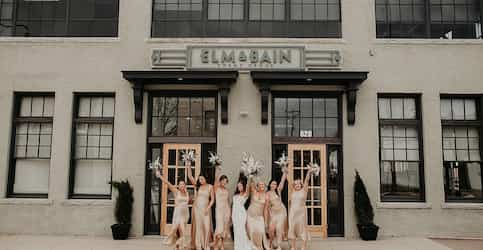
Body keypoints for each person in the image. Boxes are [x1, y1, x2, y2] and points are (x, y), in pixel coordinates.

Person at [155, 169, 190, 250]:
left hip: (186, 213)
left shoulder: (187, 193)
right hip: (178, 213)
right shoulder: (176, 191)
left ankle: (178, 245)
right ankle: (183, 245)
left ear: (185, 185)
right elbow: (167, 183)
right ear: (178, 185)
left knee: (181, 230)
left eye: (183, 184)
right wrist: (160, 176)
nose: (181, 185)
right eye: (180, 184)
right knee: (181, 229)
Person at [187, 161, 214, 250]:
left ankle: (206, 245)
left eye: (202, 179)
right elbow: (190, 177)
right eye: (200, 179)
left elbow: (213, 200)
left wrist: (208, 208)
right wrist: (189, 165)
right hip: (197, 209)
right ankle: (198, 245)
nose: (200, 181)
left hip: (206, 209)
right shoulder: (198, 186)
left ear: (206, 178)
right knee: (198, 227)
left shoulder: (210, 187)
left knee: (206, 226)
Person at [288, 168, 315, 250]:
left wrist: (309, 172)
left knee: (302, 228)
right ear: (294, 185)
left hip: (301, 213)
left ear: (301, 184)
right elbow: (288, 180)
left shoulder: (304, 191)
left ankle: (303, 247)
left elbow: (306, 181)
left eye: (299, 184)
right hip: (293, 212)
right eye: (295, 184)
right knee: (292, 228)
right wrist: (285, 170)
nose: (297, 185)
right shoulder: (292, 191)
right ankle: (293, 247)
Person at [232, 176, 256, 250]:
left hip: (241, 214)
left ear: (243, 186)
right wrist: (231, 216)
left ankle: (244, 246)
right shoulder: (235, 196)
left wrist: (249, 178)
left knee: (241, 230)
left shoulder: (245, 195)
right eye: (238, 186)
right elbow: (233, 207)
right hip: (234, 215)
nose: (239, 187)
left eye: (240, 186)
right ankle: (237, 247)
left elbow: (248, 189)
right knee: (236, 231)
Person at [267, 171, 288, 250]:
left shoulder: (278, 191)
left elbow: (282, 182)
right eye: (272, 184)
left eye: (275, 184)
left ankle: (279, 245)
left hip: (281, 212)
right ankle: (271, 242)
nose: (274, 185)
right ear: (270, 185)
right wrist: (268, 215)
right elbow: (267, 206)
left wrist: (284, 173)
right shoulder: (268, 193)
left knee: (279, 229)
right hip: (273, 213)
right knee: (271, 230)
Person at [246, 178, 269, 250]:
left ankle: (259, 247)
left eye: (263, 184)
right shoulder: (254, 192)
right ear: (257, 186)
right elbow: (250, 183)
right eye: (260, 184)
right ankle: (252, 247)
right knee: (251, 232)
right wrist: (251, 175)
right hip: (250, 216)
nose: (261, 186)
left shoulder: (267, 196)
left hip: (259, 217)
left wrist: (265, 221)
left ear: (265, 186)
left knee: (261, 232)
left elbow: (265, 210)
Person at [212, 167, 231, 250]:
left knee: (224, 228)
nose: (224, 182)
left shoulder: (227, 190)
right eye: (223, 181)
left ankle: (221, 244)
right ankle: (217, 244)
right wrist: (217, 170)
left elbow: (228, 201)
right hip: (219, 210)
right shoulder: (216, 188)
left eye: (225, 181)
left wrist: (229, 212)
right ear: (220, 181)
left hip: (226, 210)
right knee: (219, 226)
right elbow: (216, 180)